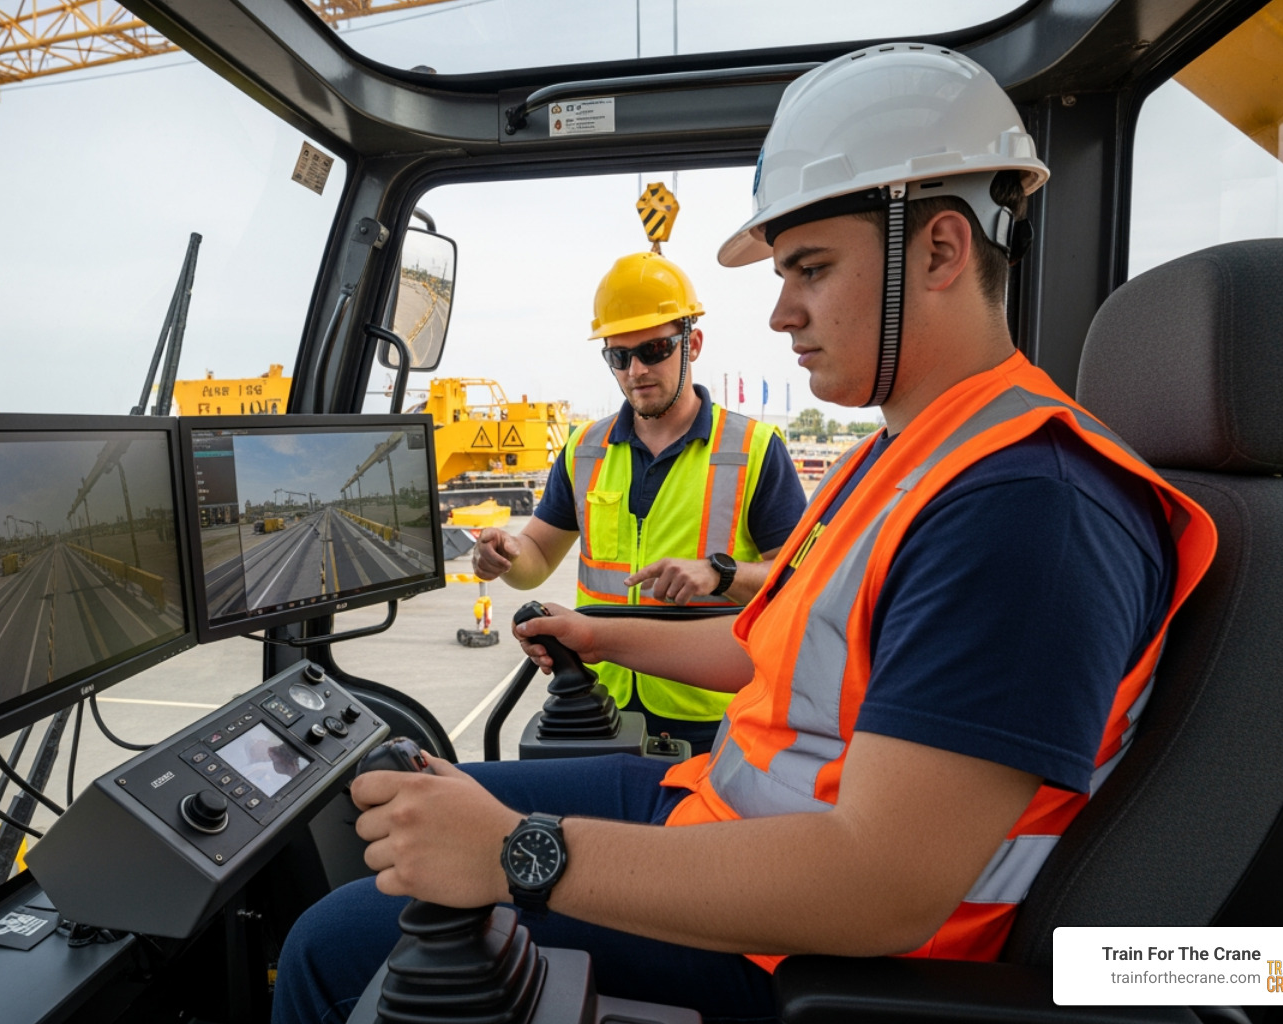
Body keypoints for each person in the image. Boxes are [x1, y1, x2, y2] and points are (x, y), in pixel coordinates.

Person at [274, 43, 1217, 1024]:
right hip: (729, 806)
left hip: (807, 947)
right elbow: (772, 642)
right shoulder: (907, 453)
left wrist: (516, 851)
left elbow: (883, 885)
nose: (781, 310)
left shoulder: (1031, 507)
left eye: (810, 268)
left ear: (940, 250)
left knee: (333, 945)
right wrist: (599, 633)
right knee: (404, 793)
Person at [471, 252, 807, 752]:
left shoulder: (753, 449)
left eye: (654, 349)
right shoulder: (585, 450)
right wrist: (505, 554)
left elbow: (799, 582)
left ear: (691, 343)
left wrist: (721, 572)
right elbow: (536, 560)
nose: (635, 370)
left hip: (714, 709)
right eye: (618, 356)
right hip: (601, 698)